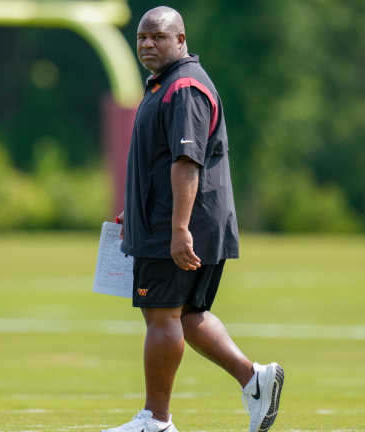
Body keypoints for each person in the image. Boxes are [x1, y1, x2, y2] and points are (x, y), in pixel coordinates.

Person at [102, 7, 283, 432]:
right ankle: (254, 379)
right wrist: (137, 206)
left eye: (159, 37)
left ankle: (156, 421)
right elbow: (161, 161)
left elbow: (187, 162)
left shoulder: (182, 87)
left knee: (161, 316)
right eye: (143, 37)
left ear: (181, 40)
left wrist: (179, 229)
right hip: (172, 219)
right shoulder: (165, 85)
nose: (148, 44)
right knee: (184, 314)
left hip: (179, 225)